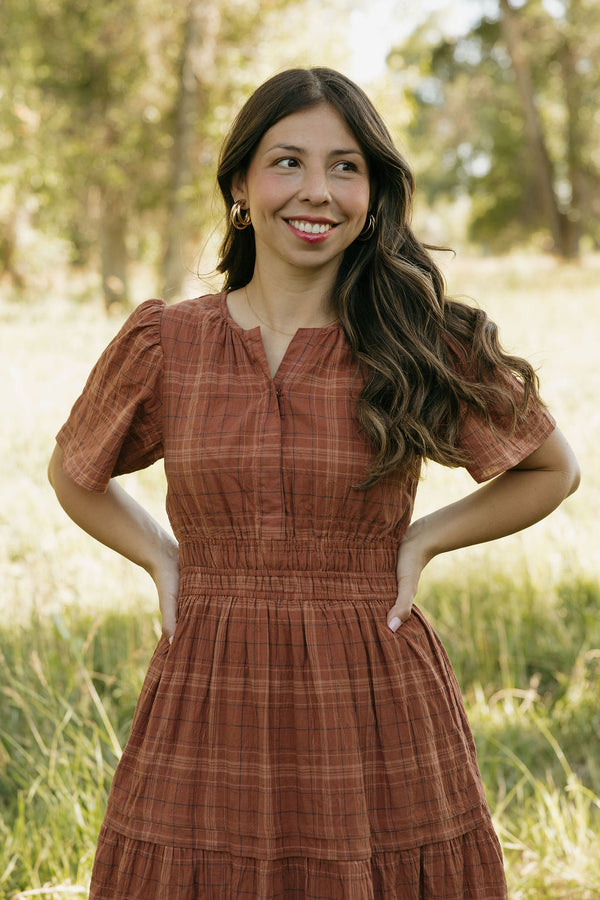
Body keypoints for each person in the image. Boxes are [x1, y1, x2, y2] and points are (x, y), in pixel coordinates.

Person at [48, 67, 579, 899]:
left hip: (368, 686)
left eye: (346, 167)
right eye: (288, 162)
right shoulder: (169, 342)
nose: (318, 192)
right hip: (209, 682)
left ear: (373, 193)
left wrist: (424, 538)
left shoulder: (415, 338)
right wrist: (163, 559)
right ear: (240, 186)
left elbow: (552, 469)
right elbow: (75, 471)